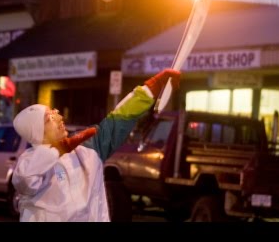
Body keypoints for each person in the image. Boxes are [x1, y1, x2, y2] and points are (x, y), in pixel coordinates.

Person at [11, 68, 181, 222]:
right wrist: (57, 150)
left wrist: (153, 87)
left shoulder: (88, 150)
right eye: (50, 118)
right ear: (37, 132)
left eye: (55, 112)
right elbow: (26, 181)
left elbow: (122, 117)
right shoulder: (29, 163)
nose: (59, 118)